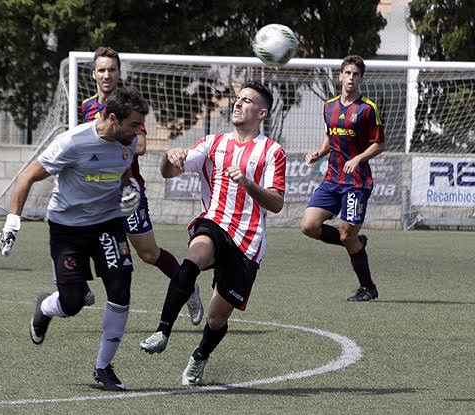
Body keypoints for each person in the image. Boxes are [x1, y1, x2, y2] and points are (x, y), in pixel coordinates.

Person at [0, 86, 148, 391]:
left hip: (108, 223)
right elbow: (27, 177)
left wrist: (129, 190)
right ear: (113, 119)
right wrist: (13, 223)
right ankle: (45, 308)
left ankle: (103, 368)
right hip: (67, 229)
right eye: (134, 124)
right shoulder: (72, 142)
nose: (139, 132)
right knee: (73, 302)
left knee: (120, 288)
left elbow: (123, 174)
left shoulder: (127, 142)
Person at [139, 80, 286, 386]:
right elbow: (169, 172)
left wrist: (247, 183)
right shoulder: (212, 143)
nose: (238, 103)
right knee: (194, 256)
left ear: (261, 113)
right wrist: (170, 156)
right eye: (238, 98)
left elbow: (276, 203)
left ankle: (200, 356)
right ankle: (162, 331)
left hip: (247, 240)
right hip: (214, 222)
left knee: (217, 318)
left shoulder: (272, 152)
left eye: (247, 101)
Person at [80, 46, 203, 325]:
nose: (107, 75)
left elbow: (143, 146)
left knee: (148, 254)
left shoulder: (128, 104)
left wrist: (106, 144)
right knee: (77, 229)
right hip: (98, 191)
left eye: (112, 69)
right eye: (102, 70)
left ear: (119, 72)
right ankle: (77, 286)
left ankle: (187, 286)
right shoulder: (87, 107)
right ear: (93, 74)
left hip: (127, 192)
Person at [300, 55, 385, 302]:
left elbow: (379, 144)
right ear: (340, 76)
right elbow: (331, 137)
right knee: (309, 226)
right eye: (347, 73)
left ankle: (368, 287)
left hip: (356, 182)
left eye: (355, 74)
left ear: (361, 78)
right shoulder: (329, 107)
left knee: (346, 234)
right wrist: (318, 153)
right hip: (332, 179)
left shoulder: (367, 109)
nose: (351, 78)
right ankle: (356, 243)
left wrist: (358, 158)